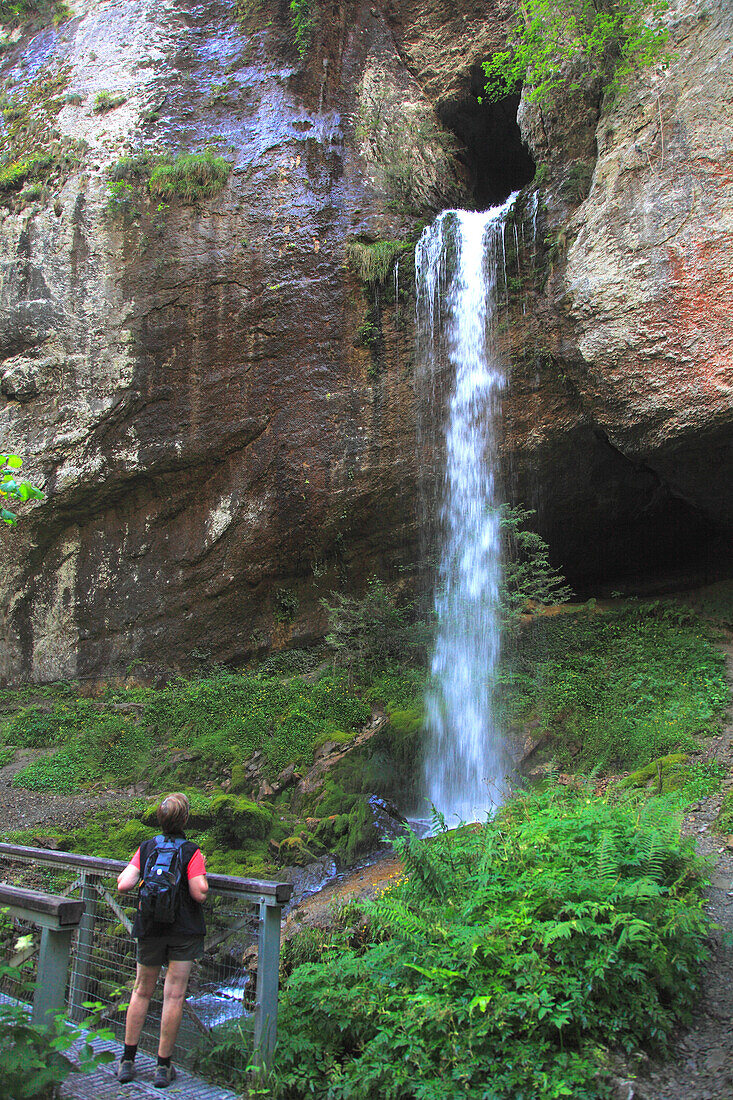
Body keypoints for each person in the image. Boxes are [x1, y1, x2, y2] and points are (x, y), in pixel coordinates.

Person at [116, 792, 208, 1088]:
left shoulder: (146, 847)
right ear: (185, 819)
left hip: (150, 928)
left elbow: (123, 884)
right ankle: (162, 1067)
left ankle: (127, 1062)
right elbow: (199, 892)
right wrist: (204, 874)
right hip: (182, 931)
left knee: (141, 991)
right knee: (174, 995)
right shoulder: (191, 851)